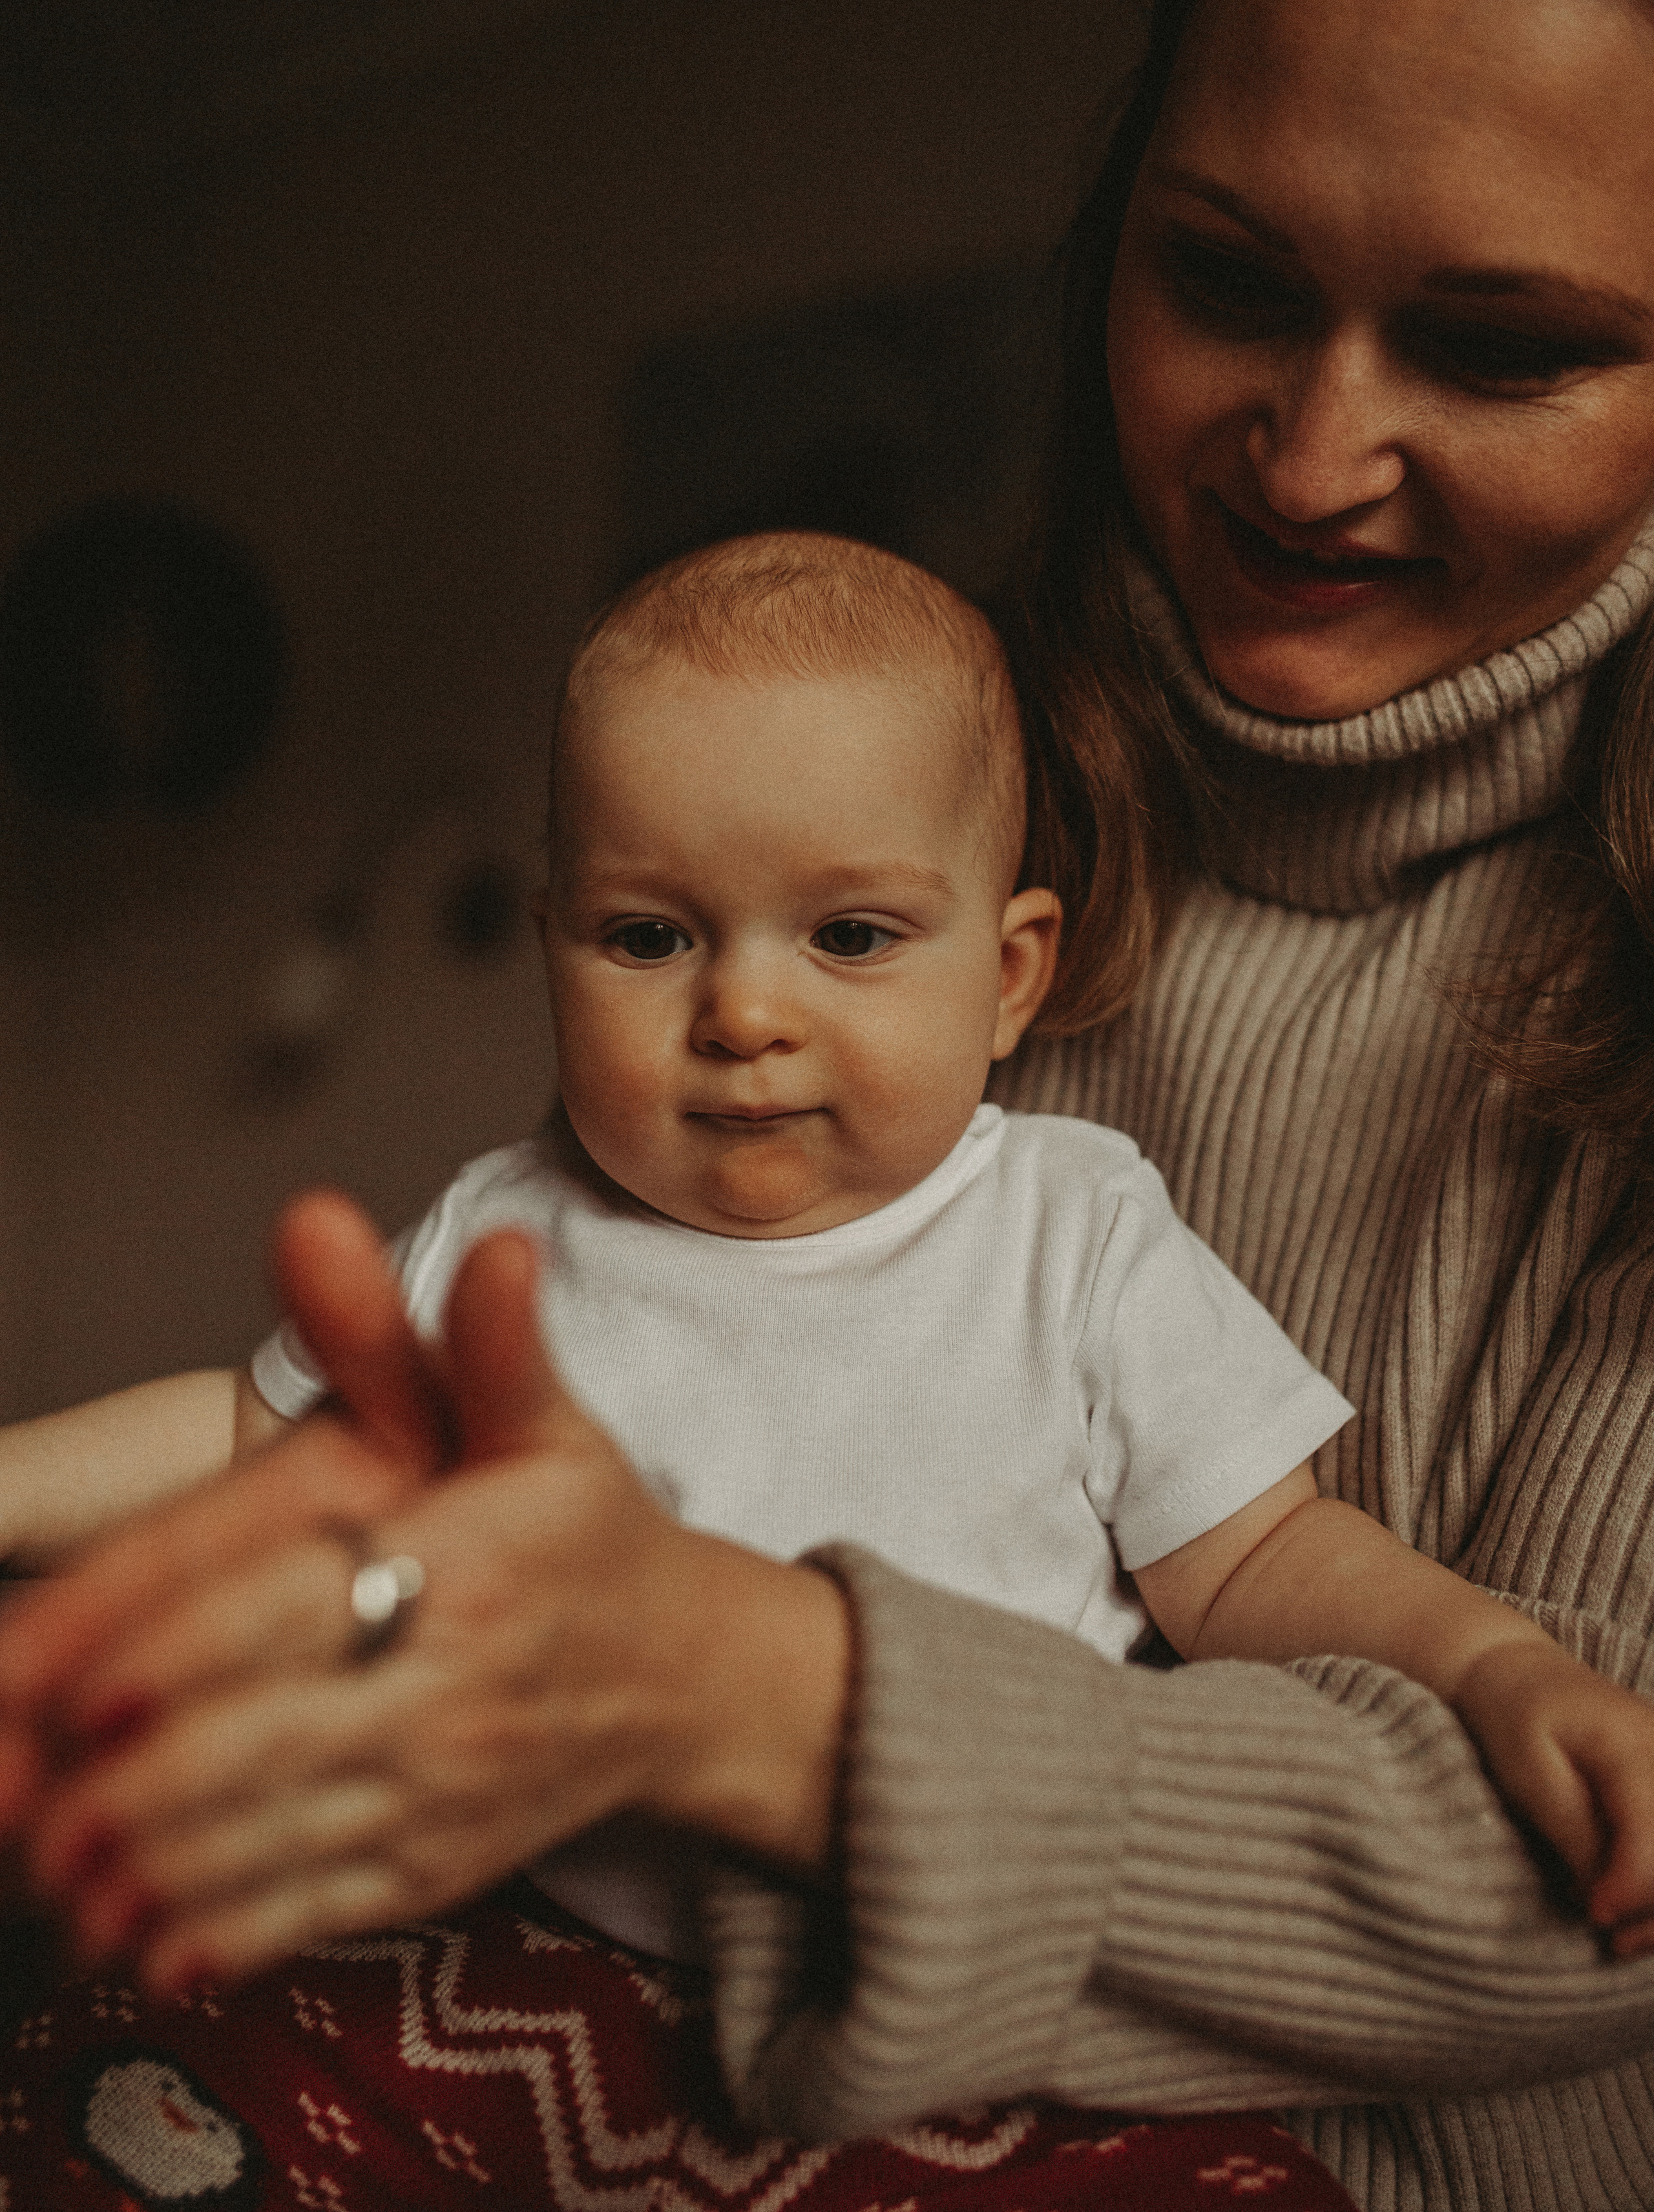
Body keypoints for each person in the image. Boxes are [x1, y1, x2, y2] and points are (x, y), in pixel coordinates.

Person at [2, 0, 1654, 2204]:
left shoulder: (1070, 1213)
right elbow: (258, 1430)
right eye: (1233, 282)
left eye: (1505, 345)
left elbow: (1270, 1559)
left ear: (1012, 972)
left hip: (1046, 2109)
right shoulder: (537, 1198)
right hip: (544, 1971)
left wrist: (1494, 1662)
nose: (1315, 449)